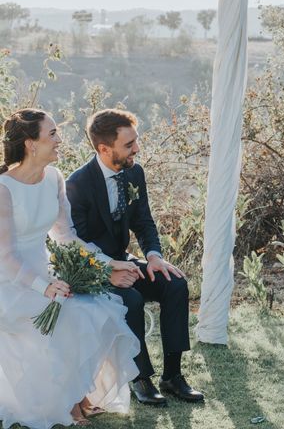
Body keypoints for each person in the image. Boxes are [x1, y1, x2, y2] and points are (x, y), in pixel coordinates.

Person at [0, 109, 140, 428]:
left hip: (46, 273)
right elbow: (5, 256)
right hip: (11, 281)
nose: (59, 140)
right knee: (65, 319)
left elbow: (65, 237)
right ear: (31, 144)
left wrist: (107, 264)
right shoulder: (4, 188)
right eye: (52, 134)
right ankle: (71, 404)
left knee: (93, 312)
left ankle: (76, 396)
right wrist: (44, 287)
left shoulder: (55, 178)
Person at [66, 108, 203, 406]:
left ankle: (173, 376)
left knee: (174, 283)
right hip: (95, 270)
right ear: (104, 148)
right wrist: (109, 271)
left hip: (125, 260)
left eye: (135, 141)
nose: (136, 149)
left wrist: (153, 256)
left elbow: (143, 221)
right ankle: (141, 378)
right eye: (129, 145)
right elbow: (76, 244)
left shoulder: (134, 172)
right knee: (132, 299)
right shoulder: (77, 184)